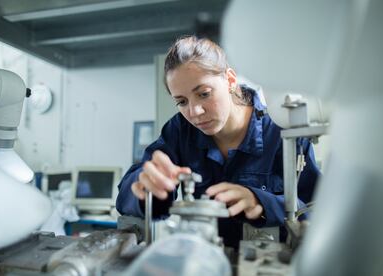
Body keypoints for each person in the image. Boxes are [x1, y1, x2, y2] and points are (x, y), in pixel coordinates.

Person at [116, 35, 320, 249]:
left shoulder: (281, 130)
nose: (194, 112)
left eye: (204, 94)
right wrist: (147, 189)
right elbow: (126, 196)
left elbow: (317, 210)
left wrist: (262, 203)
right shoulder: (180, 131)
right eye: (182, 102)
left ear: (230, 80)